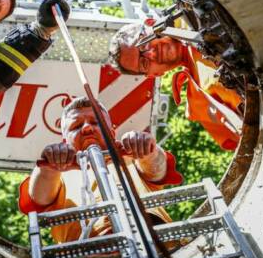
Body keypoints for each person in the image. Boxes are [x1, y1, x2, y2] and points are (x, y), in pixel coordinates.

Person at [18, 97, 182, 244]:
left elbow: (158, 169)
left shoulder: (130, 158)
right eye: (76, 126)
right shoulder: (59, 175)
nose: (87, 128)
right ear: (64, 140)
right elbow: (39, 198)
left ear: (112, 133)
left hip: (155, 243)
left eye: (96, 123)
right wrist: (50, 166)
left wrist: (148, 149)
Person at [108, 22, 243, 151]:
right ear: (153, 74)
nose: (151, 53)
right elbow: (244, 142)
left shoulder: (190, 15)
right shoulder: (198, 103)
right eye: (144, 63)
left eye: (143, 43)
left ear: (150, 25)